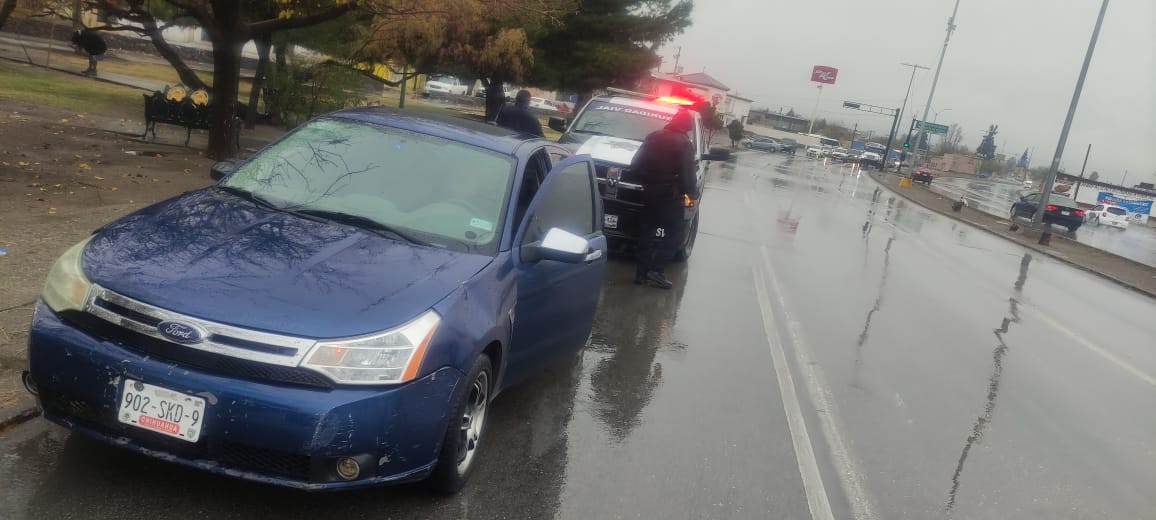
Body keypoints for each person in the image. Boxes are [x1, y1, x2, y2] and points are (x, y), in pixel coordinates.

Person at [631, 109, 698, 289]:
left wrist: (646, 182)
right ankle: (657, 270)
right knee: (675, 232)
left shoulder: (653, 136)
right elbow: (688, 174)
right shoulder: (684, 143)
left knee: (646, 232)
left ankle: (641, 273)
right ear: (685, 125)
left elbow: (635, 164)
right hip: (670, 196)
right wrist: (691, 195)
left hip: (648, 192)